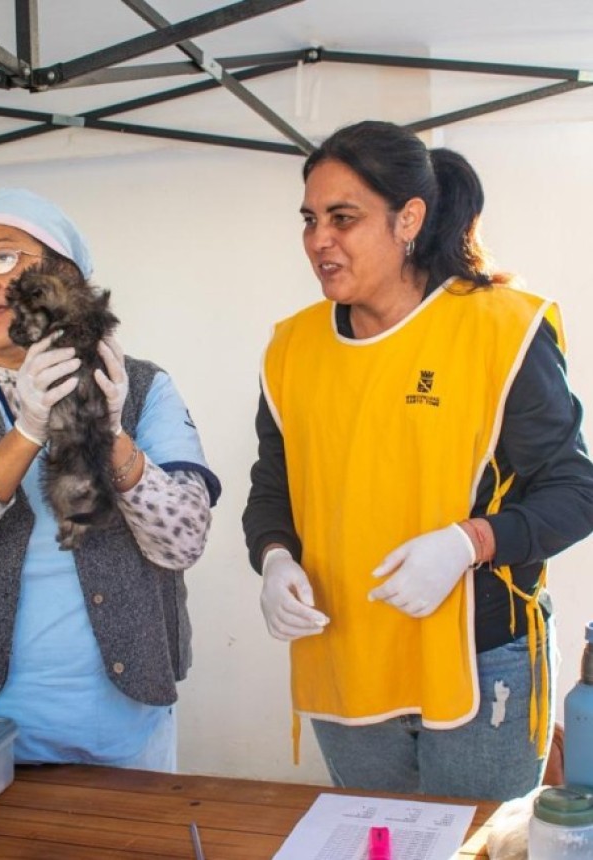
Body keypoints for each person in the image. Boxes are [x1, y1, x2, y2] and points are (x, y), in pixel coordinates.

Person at [242, 120, 593, 800]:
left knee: (474, 847)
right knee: (379, 844)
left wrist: (471, 542)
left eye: (344, 218)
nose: (320, 240)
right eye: (310, 219)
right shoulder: (291, 349)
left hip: (480, 657)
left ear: (409, 219)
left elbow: (577, 489)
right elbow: (272, 485)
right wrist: (275, 556)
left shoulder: (501, 329)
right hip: (345, 660)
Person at [0, 187, 220, 771]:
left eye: (5, 257)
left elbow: (183, 540)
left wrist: (111, 432)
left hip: (121, 724)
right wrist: (28, 428)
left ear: (64, 279)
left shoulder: (143, 388)